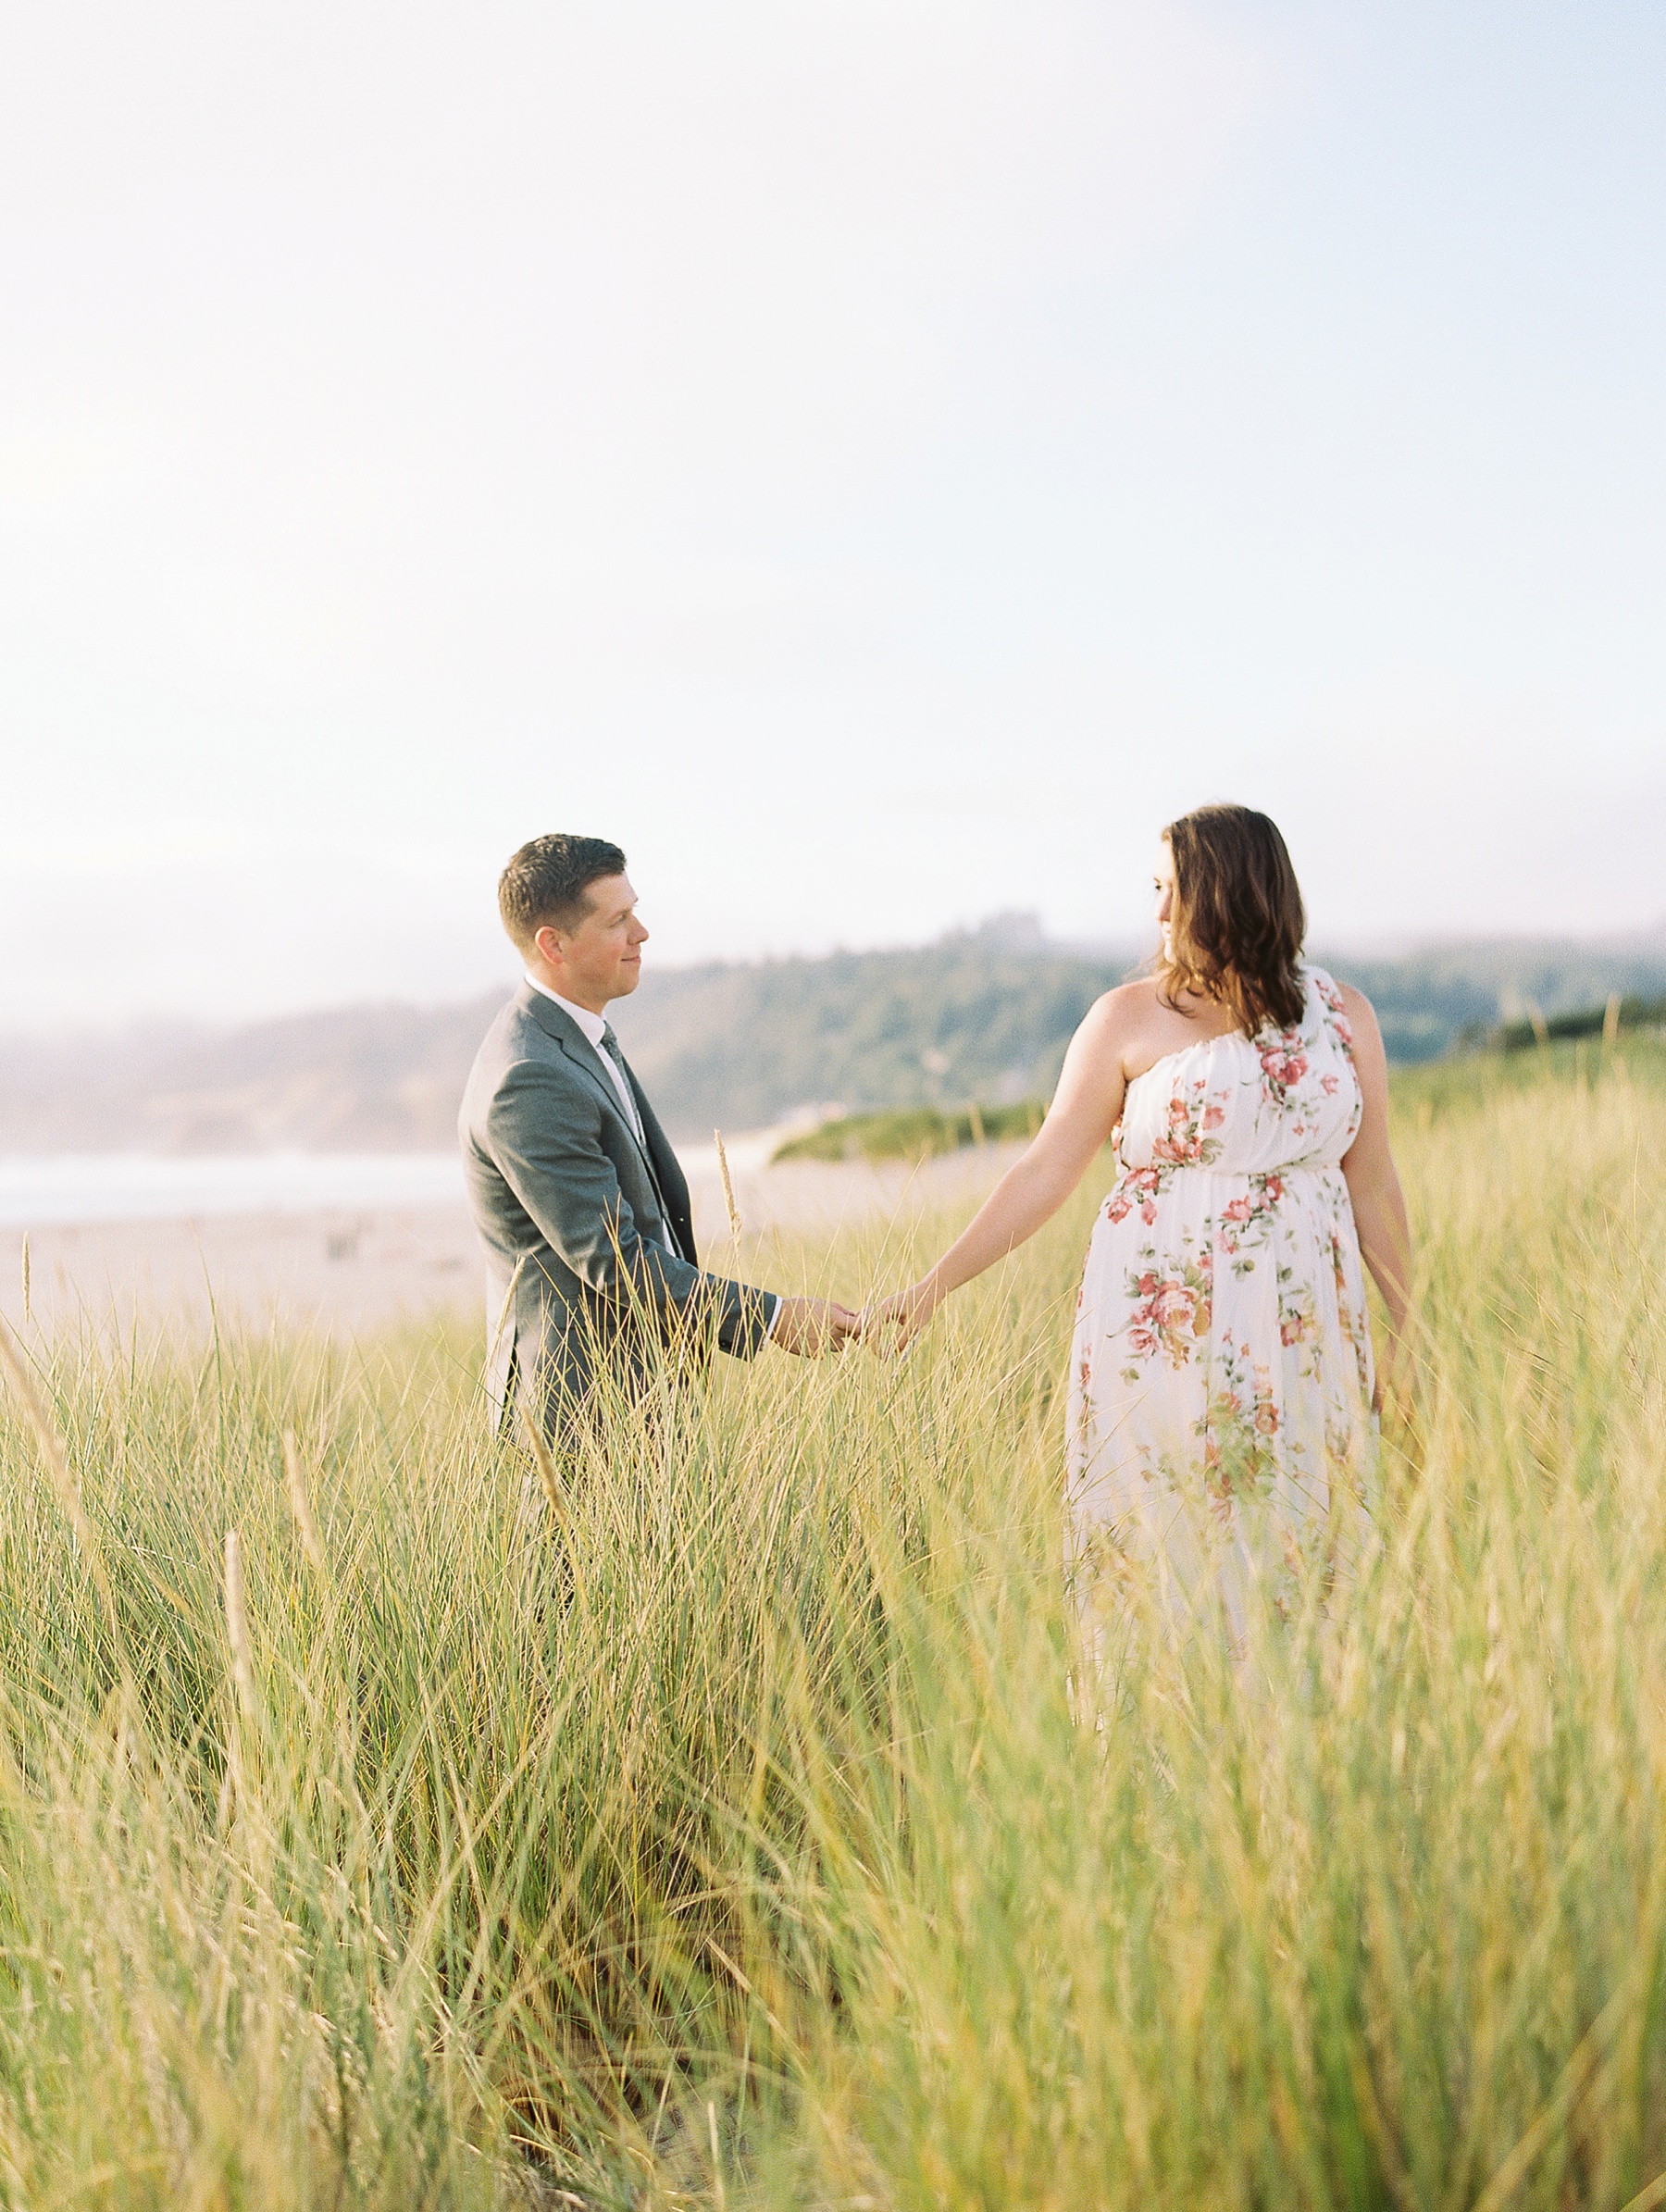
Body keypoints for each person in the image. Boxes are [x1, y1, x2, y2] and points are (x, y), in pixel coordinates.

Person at [863, 803, 1412, 1642]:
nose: (1157, 913)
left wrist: (1409, 1339)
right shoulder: (1126, 1017)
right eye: (1153, 889)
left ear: (1232, 892)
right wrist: (932, 1287)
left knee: (1310, 1545)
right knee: (1172, 1547)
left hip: (1308, 1333)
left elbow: (1372, 1185)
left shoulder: (1344, 1017)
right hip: (1166, 1338)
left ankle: (1304, 1761)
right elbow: (1046, 1167)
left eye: (1173, 890)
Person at [460, 834, 856, 1440]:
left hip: (641, 1398)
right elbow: (614, 1260)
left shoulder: (578, 1037)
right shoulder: (530, 1078)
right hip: (580, 1421)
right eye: (618, 920)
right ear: (553, 944)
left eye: (634, 912)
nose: (640, 933)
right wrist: (774, 1319)